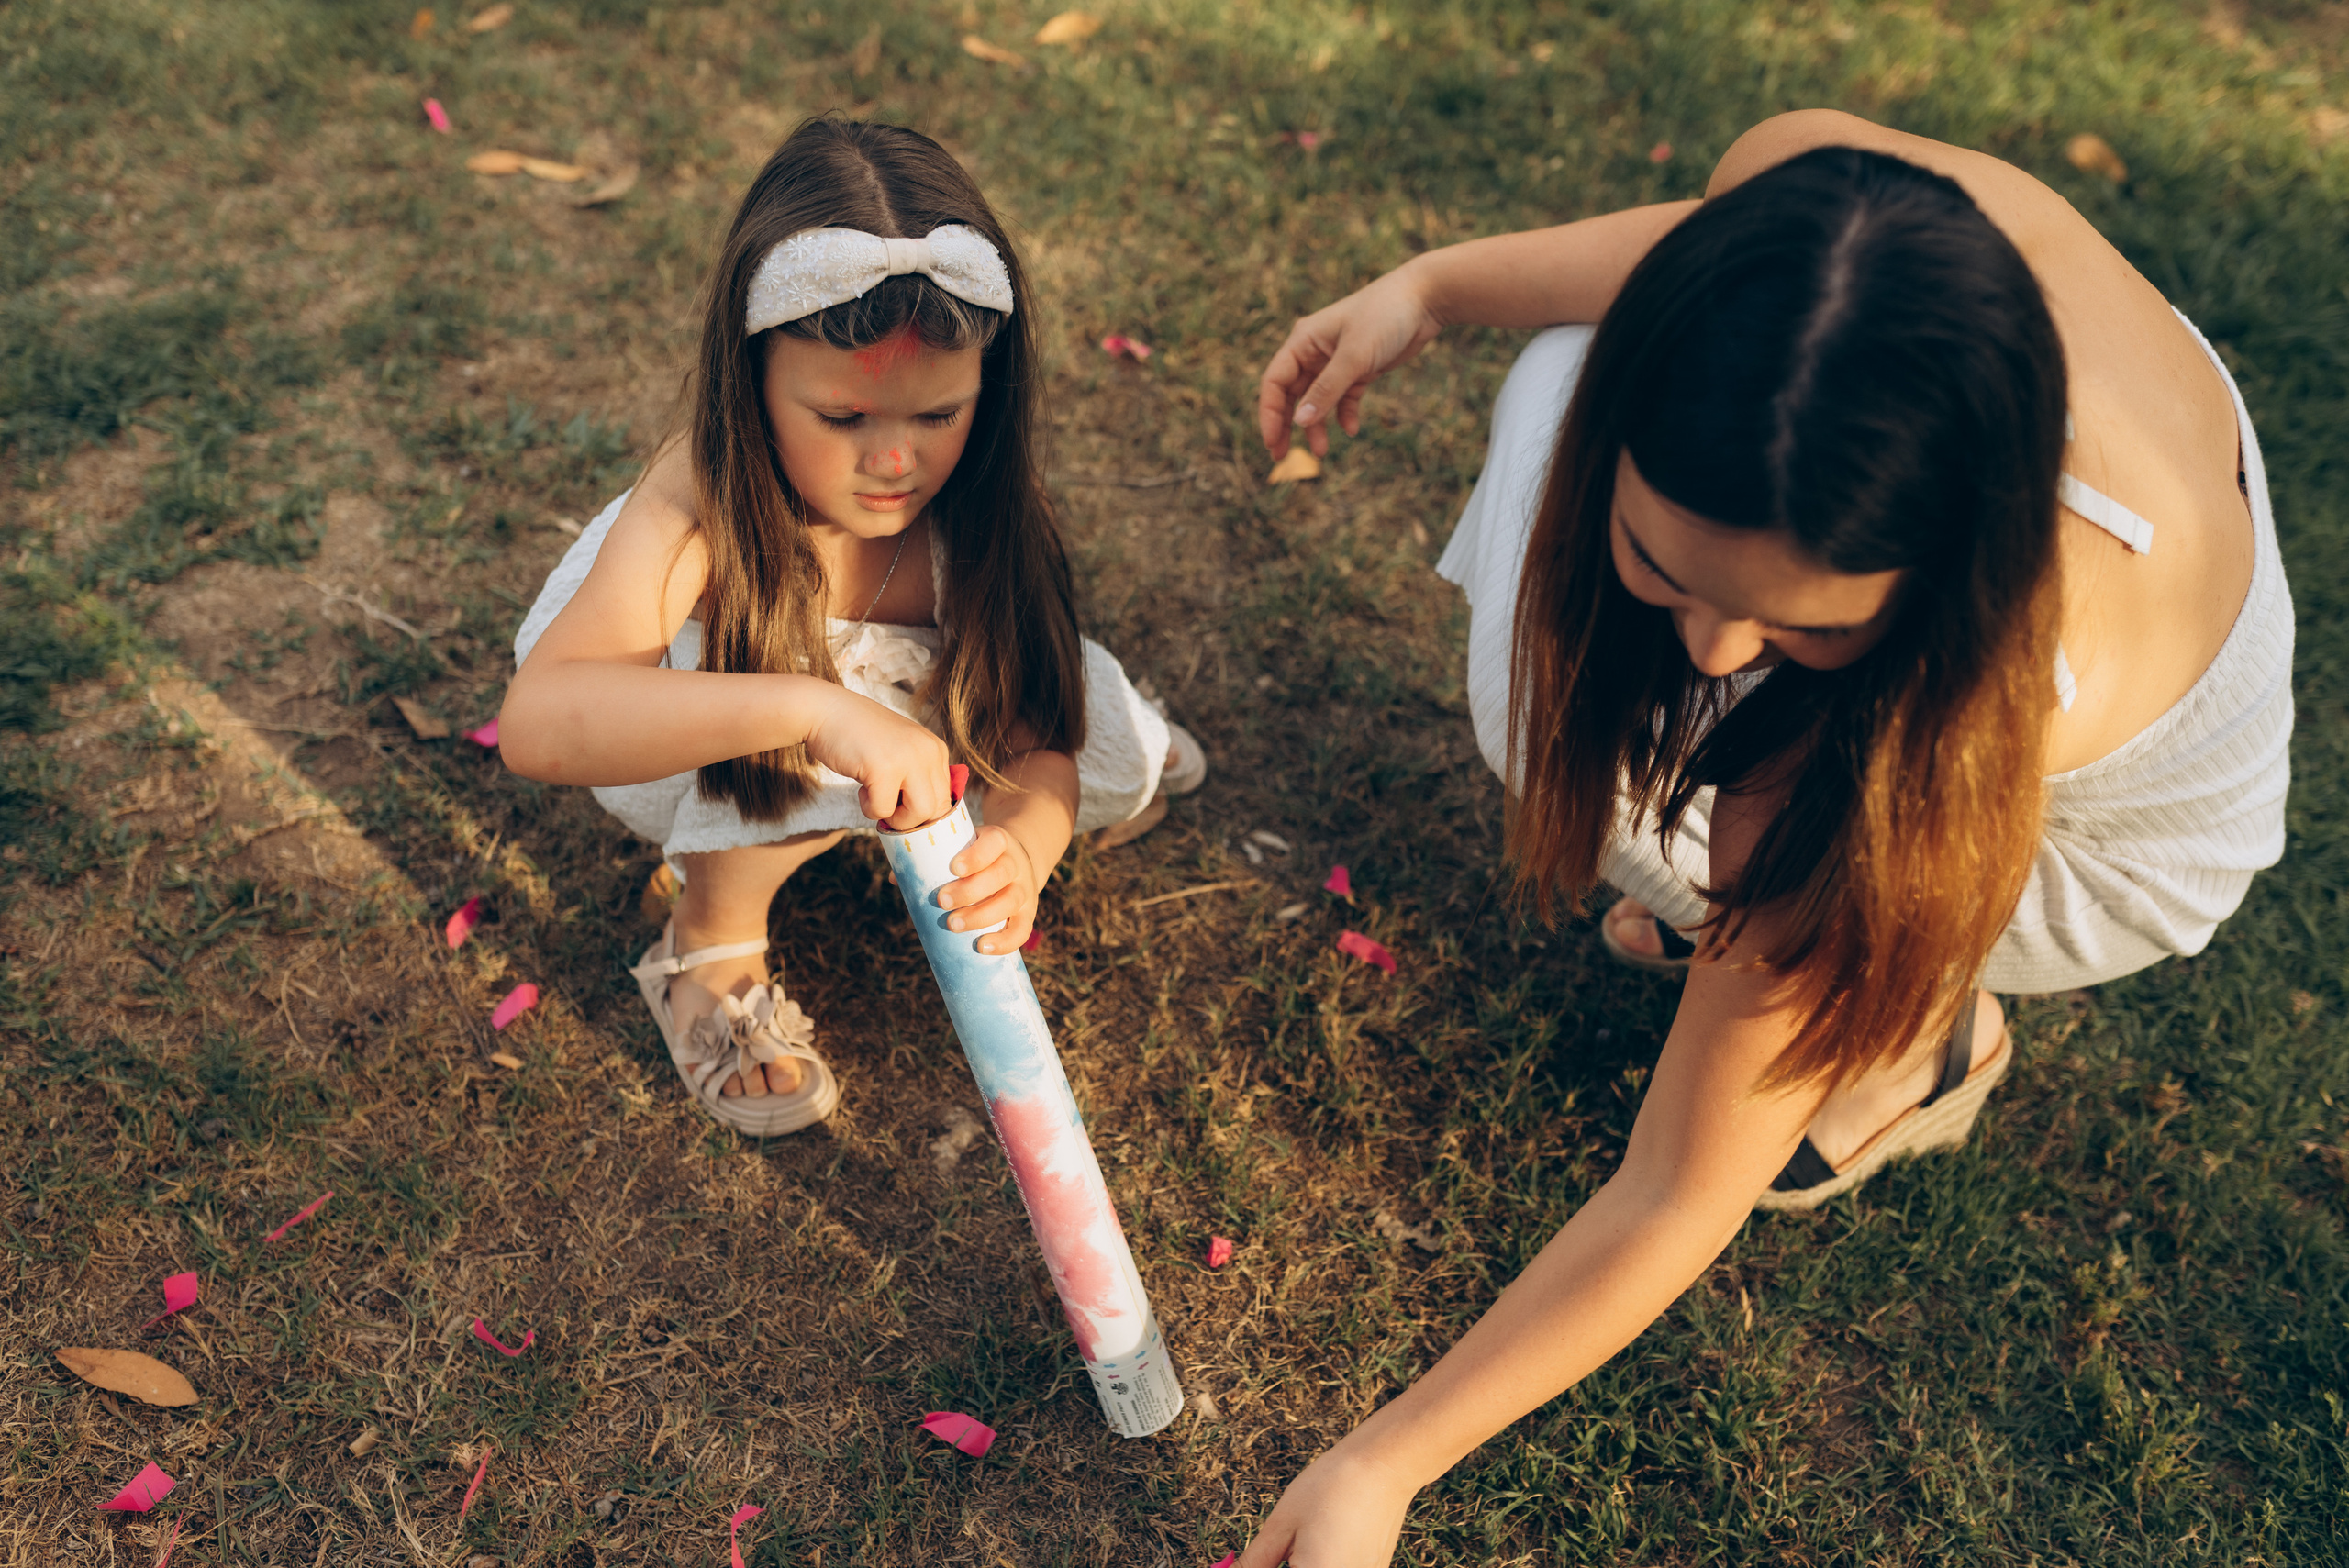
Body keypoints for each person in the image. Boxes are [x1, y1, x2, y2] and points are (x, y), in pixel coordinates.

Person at [1241, 109, 2290, 1564]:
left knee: (1555, 713)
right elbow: (1687, 261)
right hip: (2079, 572)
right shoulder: (1843, 210)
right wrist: (1430, 286)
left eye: (1803, 621)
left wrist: (1382, 1463)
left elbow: (1676, 1188)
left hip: (2105, 842)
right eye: (1665, 564)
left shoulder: (1912, 729)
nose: (1717, 648)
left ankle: (1910, 1033)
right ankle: (1800, 916)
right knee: (1554, 371)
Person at [499, 117, 1204, 1138]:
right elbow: (541, 722)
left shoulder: (982, 501)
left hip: (925, 699)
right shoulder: (701, 497)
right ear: (751, 378)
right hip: (722, 724)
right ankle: (711, 936)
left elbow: (1034, 735)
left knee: (1102, 736)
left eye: (938, 414)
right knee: (809, 723)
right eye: (843, 418)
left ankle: (1115, 724)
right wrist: (812, 708)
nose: (895, 461)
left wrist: (1025, 840)